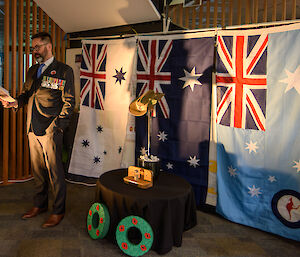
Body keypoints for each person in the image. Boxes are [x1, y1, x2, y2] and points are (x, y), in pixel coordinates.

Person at [0, 32, 75, 228]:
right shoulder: (32, 70)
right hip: (32, 126)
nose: (34, 51)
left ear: (49, 46)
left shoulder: (64, 70)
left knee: (55, 172)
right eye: (33, 48)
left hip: (51, 128)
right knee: (38, 170)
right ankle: (40, 205)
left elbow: (69, 101)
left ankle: (58, 211)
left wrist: (59, 126)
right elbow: (26, 94)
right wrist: (14, 102)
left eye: (37, 47)